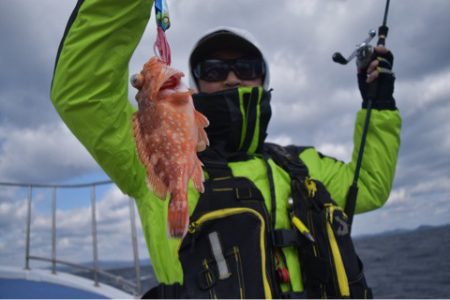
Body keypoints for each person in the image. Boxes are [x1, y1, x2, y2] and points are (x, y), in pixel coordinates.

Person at [51, 1, 401, 298]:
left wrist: (380, 105)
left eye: (246, 67)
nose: (232, 78)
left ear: (264, 78)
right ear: (195, 81)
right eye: (215, 69)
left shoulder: (302, 164)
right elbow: (83, 93)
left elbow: (369, 184)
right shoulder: (150, 160)